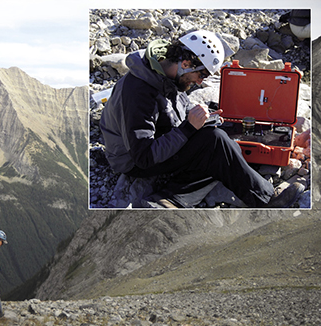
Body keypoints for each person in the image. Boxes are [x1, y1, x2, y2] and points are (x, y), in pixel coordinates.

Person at [99, 29, 304, 208]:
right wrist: (188, 129)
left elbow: (174, 108)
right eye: (202, 75)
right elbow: (143, 157)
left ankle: (169, 199)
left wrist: (202, 116)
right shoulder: (139, 92)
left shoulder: (166, 74)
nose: (200, 82)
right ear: (186, 63)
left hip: (156, 141)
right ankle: (265, 200)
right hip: (131, 160)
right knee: (215, 143)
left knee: (219, 140)